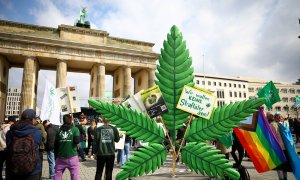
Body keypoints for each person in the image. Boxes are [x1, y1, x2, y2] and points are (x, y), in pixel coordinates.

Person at [6, 109, 43, 180]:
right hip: (32, 170)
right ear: (32, 119)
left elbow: (8, 145)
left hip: (13, 168)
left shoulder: (10, 132)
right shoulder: (37, 132)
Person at [54, 114, 80, 180]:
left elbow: (56, 145)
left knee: (57, 175)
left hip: (60, 157)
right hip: (72, 157)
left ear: (63, 121)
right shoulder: (75, 129)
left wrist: (56, 157)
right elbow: (77, 141)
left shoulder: (58, 131)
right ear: (71, 120)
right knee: (74, 176)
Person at [267, 113, 289, 180]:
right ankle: (285, 178)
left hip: (277, 148)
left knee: (279, 165)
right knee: (284, 165)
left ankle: (281, 178)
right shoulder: (282, 124)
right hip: (284, 147)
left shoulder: (271, 125)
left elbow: (271, 137)